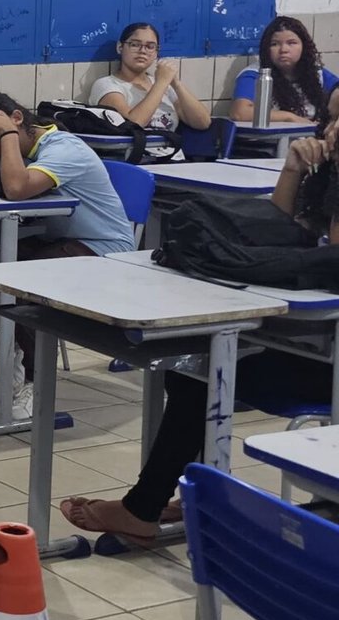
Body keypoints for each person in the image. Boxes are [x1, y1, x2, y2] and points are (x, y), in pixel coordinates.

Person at [61, 120, 339, 544]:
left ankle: (147, 507)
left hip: (329, 364)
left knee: (204, 378)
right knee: (190, 368)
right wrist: (294, 169)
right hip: (312, 343)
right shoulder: (327, 175)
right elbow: (276, 230)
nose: (333, 129)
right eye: (332, 117)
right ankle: (191, 496)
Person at [0, 90, 133, 421]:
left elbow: (17, 189)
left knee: (23, 281)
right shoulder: (13, 147)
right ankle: (20, 342)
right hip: (53, 243)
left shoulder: (65, 148)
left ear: (17, 120)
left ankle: (36, 378)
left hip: (101, 248)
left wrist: (4, 134)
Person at [87, 21, 211, 135]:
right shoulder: (107, 85)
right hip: (135, 156)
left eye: (150, 46)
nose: (142, 51)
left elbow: (203, 123)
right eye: (135, 45)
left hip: (172, 155)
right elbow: (133, 125)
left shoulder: (164, 85)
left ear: (156, 52)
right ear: (120, 47)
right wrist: (161, 83)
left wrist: (177, 84)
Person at [230, 15, 338, 125]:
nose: (283, 50)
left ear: (304, 46)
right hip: (270, 140)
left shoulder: (316, 72)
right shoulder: (255, 74)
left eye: (291, 43)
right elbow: (240, 113)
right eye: (274, 44)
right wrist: (289, 118)